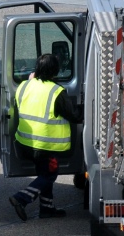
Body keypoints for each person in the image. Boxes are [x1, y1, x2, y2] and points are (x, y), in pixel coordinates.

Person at [8, 53, 83, 221]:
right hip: (45, 146)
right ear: (55, 71)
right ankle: (21, 198)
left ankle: (47, 208)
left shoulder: (24, 86)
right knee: (50, 174)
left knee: (44, 172)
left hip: (24, 142)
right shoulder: (56, 92)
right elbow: (75, 116)